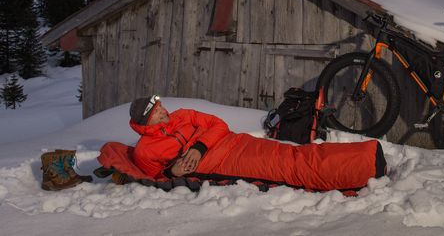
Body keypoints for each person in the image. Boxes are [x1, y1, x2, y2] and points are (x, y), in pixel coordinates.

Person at [128, 95, 386, 191]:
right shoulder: (145, 150)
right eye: (157, 111)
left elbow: (219, 125)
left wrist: (199, 146)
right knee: (289, 167)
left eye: (161, 105)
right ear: (146, 121)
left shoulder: (182, 115)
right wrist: (172, 171)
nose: (164, 111)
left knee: (293, 155)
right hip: (224, 163)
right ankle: (362, 166)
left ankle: (363, 157)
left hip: (234, 142)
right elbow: (156, 178)